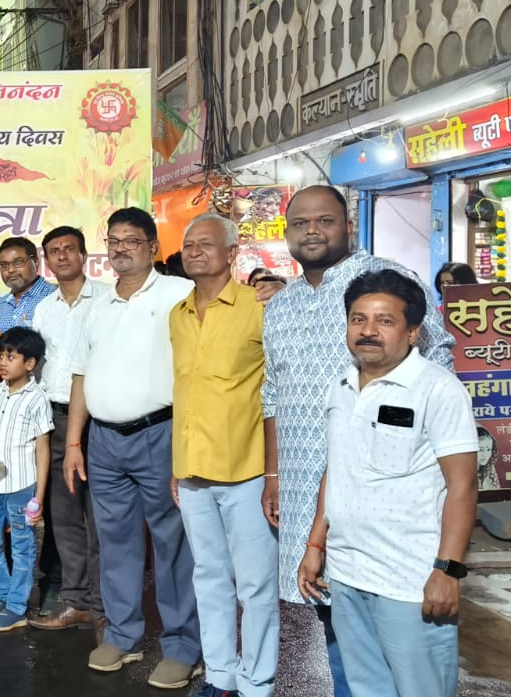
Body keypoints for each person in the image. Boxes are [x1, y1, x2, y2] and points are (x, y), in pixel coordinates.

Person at [263, 185, 455, 697]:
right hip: (310, 486)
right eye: (300, 223)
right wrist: (273, 474)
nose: (311, 231)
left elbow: (439, 360)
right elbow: (272, 394)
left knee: (401, 629)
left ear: (348, 226)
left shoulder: (385, 281)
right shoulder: (280, 305)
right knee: (335, 616)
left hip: (387, 493)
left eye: (324, 220)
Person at [298, 269, 478, 697]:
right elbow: (337, 468)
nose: (368, 331)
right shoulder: (341, 387)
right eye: (358, 319)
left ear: (413, 332)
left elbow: (463, 486)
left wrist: (448, 570)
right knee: (366, 689)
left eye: (385, 321)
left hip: (409, 581)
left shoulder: (437, 390)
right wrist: (315, 544)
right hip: (347, 575)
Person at [65, 207, 201, 686]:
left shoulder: (178, 293)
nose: (120, 249)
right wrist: (74, 441)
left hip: (160, 433)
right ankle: (122, 635)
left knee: (172, 544)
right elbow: (80, 375)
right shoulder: (97, 304)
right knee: (116, 542)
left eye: (131, 240)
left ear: (151, 246)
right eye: (114, 241)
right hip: (103, 441)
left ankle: (182, 646)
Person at [168, 215, 279, 697]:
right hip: (192, 469)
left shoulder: (260, 307)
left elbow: (276, 388)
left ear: (232, 254)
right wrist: (176, 468)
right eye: (188, 244)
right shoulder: (178, 314)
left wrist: (274, 473)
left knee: (255, 585)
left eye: (205, 244)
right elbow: (183, 392)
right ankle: (220, 676)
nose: (194, 251)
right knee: (209, 577)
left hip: (246, 469)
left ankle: (257, 682)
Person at [28, 226, 107, 633]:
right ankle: (76, 601)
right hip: (54, 418)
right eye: (53, 251)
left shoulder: (107, 299)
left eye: (68, 249)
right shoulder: (45, 309)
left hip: (99, 420)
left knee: (101, 517)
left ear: (84, 255)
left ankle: (103, 604)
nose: (61, 256)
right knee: (64, 516)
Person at [0, 327, 53, 632]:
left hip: (22, 485)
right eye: (1, 356)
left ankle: (17, 607)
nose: (3, 362)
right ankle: (6, 595)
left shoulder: (37, 399)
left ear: (30, 363)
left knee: (22, 547)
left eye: (11, 357)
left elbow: (43, 449)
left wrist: (39, 497)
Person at [0, 237, 57, 332]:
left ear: (36, 262)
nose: (11, 270)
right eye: (4, 265)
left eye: (18, 262)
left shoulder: (54, 296)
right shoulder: (2, 304)